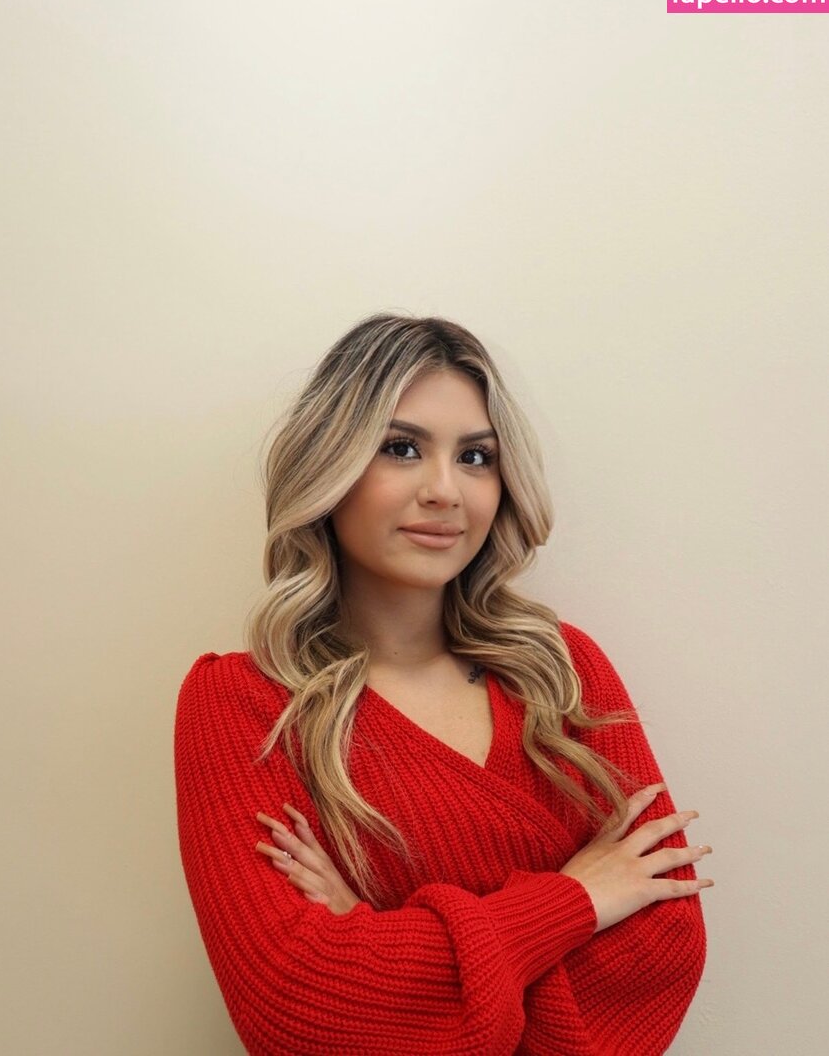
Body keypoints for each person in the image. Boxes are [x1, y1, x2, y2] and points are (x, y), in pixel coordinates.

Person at [174, 313, 710, 1055]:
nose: (445, 490)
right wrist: (578, 899)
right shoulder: (243, 703)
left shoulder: (562, 670)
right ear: (329, 467)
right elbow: (298, 1009)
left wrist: (377, 935)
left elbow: (664, 953)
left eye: (476, 457)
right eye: (401, 448)